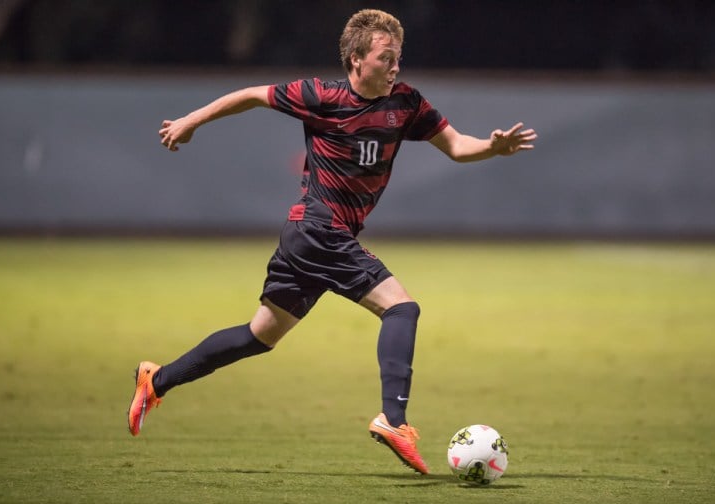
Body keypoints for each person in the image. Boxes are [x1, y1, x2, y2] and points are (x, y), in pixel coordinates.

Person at [129, 8, 536, 475]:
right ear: (357, 59)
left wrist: (493, 146)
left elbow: (459, 145)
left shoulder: (406, 103)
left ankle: (156, 380)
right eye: (387, 57)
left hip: (309, 237)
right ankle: (394, 420)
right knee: (401, 308)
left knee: (260, 335)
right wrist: (191, 120)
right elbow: (251, 95)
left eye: (399, 57)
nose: (396, 66)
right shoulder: (321, 96)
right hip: (320, 229)